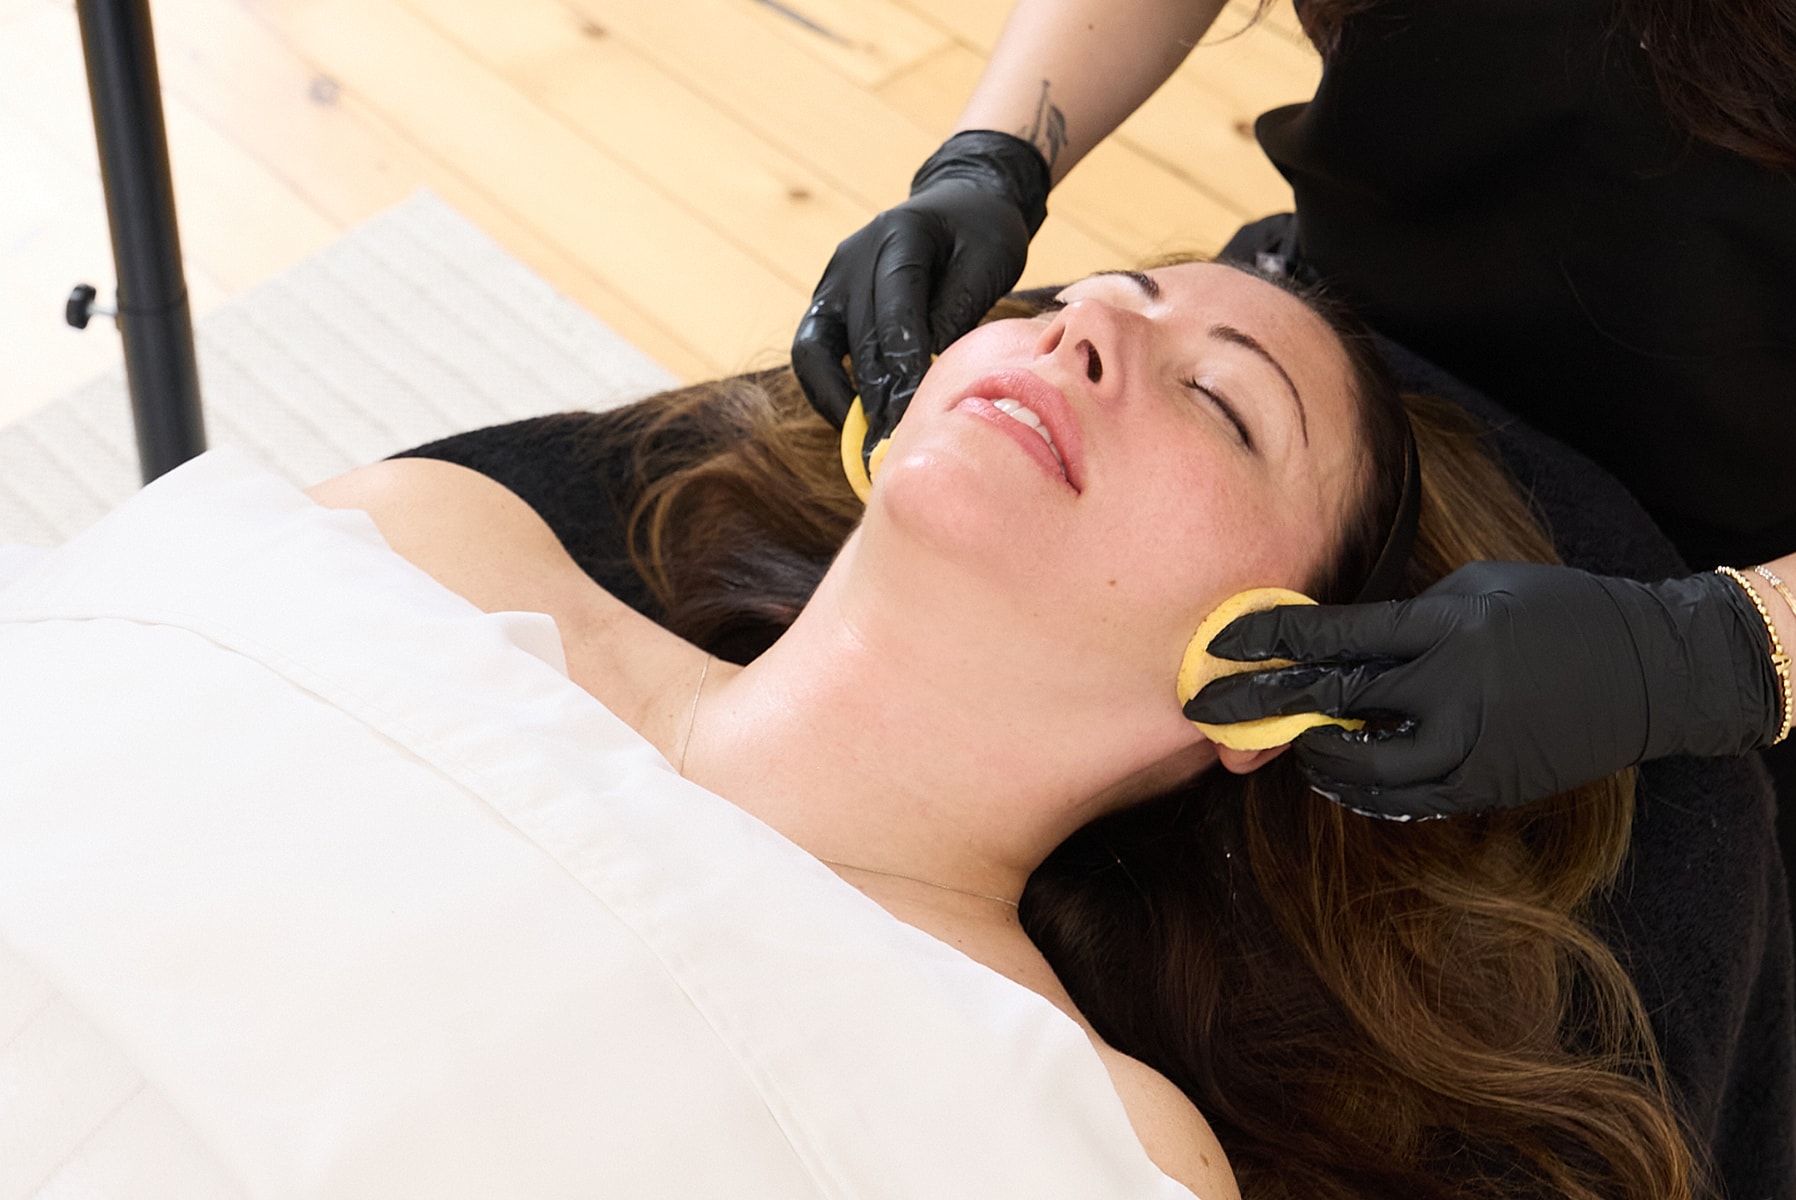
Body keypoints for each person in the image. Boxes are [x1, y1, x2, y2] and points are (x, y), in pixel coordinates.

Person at [789, 2, 1796, 1193]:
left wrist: (1703, 658)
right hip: (1351, 381)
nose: (1084, 320)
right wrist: (995, 152)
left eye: (1206, 384)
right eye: (1105, 298)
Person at [302, 261, 1715, 1198]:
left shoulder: (1099, 1142)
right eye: (1068, 299)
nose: (1082, 332)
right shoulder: (435, 540)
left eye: (1221, 400)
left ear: (1282, 681)